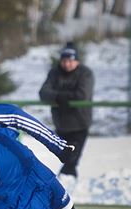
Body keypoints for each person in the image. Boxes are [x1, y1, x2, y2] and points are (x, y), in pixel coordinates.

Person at [39, 42, 94, 188]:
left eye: (70, 61)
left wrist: (60, 96)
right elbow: (43, 92)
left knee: (72, 158)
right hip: (61, 123)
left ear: (77, 61)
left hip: (79, 124)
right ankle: (68, 185)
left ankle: (62, 185)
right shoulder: (54, 72)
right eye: (64, 61)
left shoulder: (85, 73)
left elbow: (82, 94)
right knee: (66, 158)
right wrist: (61, 97)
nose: (67, 64)